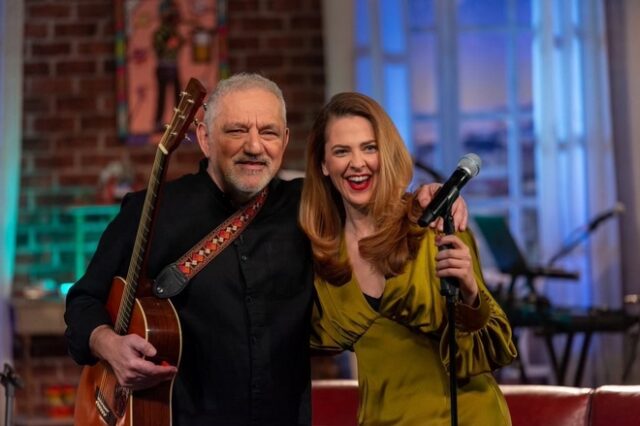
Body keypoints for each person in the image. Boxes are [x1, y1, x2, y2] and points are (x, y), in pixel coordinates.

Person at [64, 73, 467, 426]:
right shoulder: (150, 210)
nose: (255, 146)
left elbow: (370, 195)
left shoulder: (311, 206)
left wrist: (426, 198)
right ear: (204, 138)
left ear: (285, 140)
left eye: (269, 132)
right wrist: (108, 345)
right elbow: (84, 300)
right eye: (237, 131)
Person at [299, 92, 517, 425]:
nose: (357, 163)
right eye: (342, 151)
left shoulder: (432, 225)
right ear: (323, 164)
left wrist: (470, 292)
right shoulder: (324, 253)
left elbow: (495, 347)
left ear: (386, 154)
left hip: (466, 417)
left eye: (369, 148)